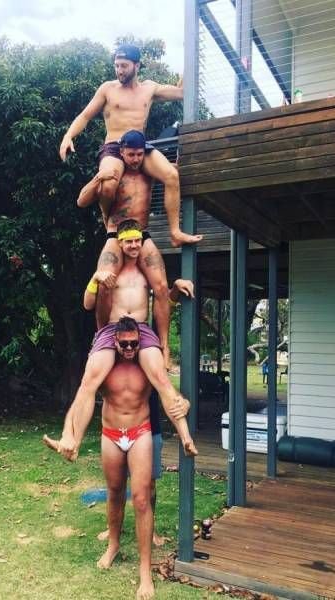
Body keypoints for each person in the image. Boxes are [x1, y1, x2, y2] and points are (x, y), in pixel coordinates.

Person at [55, 219, 198, 462]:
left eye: (137, 241)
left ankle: (186, 438)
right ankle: (74, 442)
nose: (134, 245)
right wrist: (95, 279)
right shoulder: (110, 272)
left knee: (162, 379)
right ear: (119, 243)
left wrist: (176, 287)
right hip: (112, 328)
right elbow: (87, 304)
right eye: (129, 241)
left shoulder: (145, 273)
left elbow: (163, 299)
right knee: (89, 382)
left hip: (140, 328)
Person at [45, 317, 160, 600]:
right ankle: (113, 545)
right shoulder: (103, 364)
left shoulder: (147, 362)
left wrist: (184, 431)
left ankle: (145, 572)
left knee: (142, 498)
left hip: (140, 431)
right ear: (115, 342)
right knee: (114, 492)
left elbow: (167, 390)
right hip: (111, 434)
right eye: (125, 344)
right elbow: (83, 394)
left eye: (135, 343)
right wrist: (71, 436)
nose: (130, 348)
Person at [59, 43, 203, 248]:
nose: (119, 70)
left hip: (140, 147)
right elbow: (85, 116)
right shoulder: (108, 89)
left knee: (171, 175)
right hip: (114, 147)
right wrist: (68, 136)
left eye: (124, 66)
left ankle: (175, 233)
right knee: (108, 185)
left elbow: (181, 92)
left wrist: (190, 57)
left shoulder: (149, 88)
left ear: (137, 65)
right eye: (117, 65)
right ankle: (108, 222)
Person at [77, 129, 197, 368]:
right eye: (131, 155)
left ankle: (164, 347)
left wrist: (176, 165)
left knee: (161, 287)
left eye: (139, 154)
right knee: (104, 283)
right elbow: (81, 201)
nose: (135, 159)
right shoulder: (113, 173)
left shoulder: (149, 171)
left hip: (142, 233)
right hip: (116, 234)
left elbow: (171, 176)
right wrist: (99, 178)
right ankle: (101, 337)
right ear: (121, 152)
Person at [97, 279, 195, 547]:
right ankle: (112, 530)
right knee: (116, 485)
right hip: (117, 427)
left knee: (148, 484)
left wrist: (173, 289)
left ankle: (149, 531)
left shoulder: (147, 344)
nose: (130, 346)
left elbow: (164, 306)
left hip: (147, 425)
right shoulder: (111, 346)